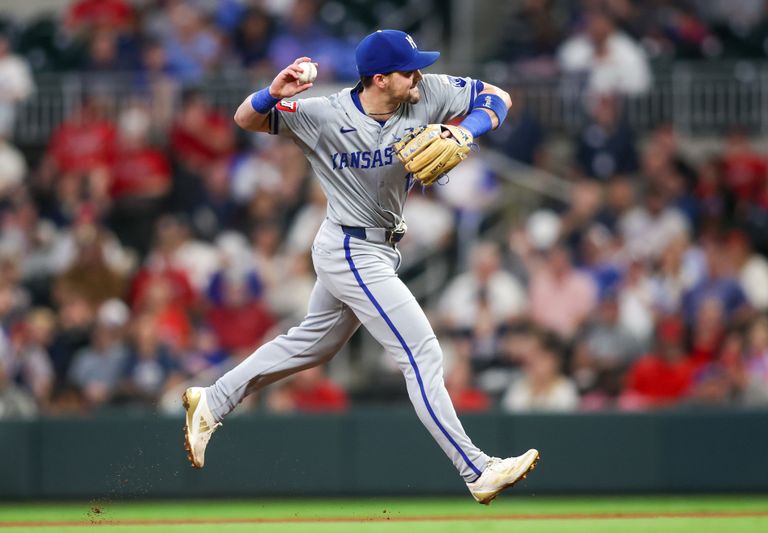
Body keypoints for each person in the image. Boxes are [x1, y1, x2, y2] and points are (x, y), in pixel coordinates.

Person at [181, 29, 538, 504]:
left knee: (314, 344)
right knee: (423, 353)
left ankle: (213, 399)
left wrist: (465, 129)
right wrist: (273, 92)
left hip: (380, 245)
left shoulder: (425, 92)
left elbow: (499, 97)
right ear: (379, 79)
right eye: (408, 69)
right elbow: (244, 118)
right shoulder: (322, 114)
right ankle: (476, 468)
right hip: (348, 247)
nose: (419, 74)